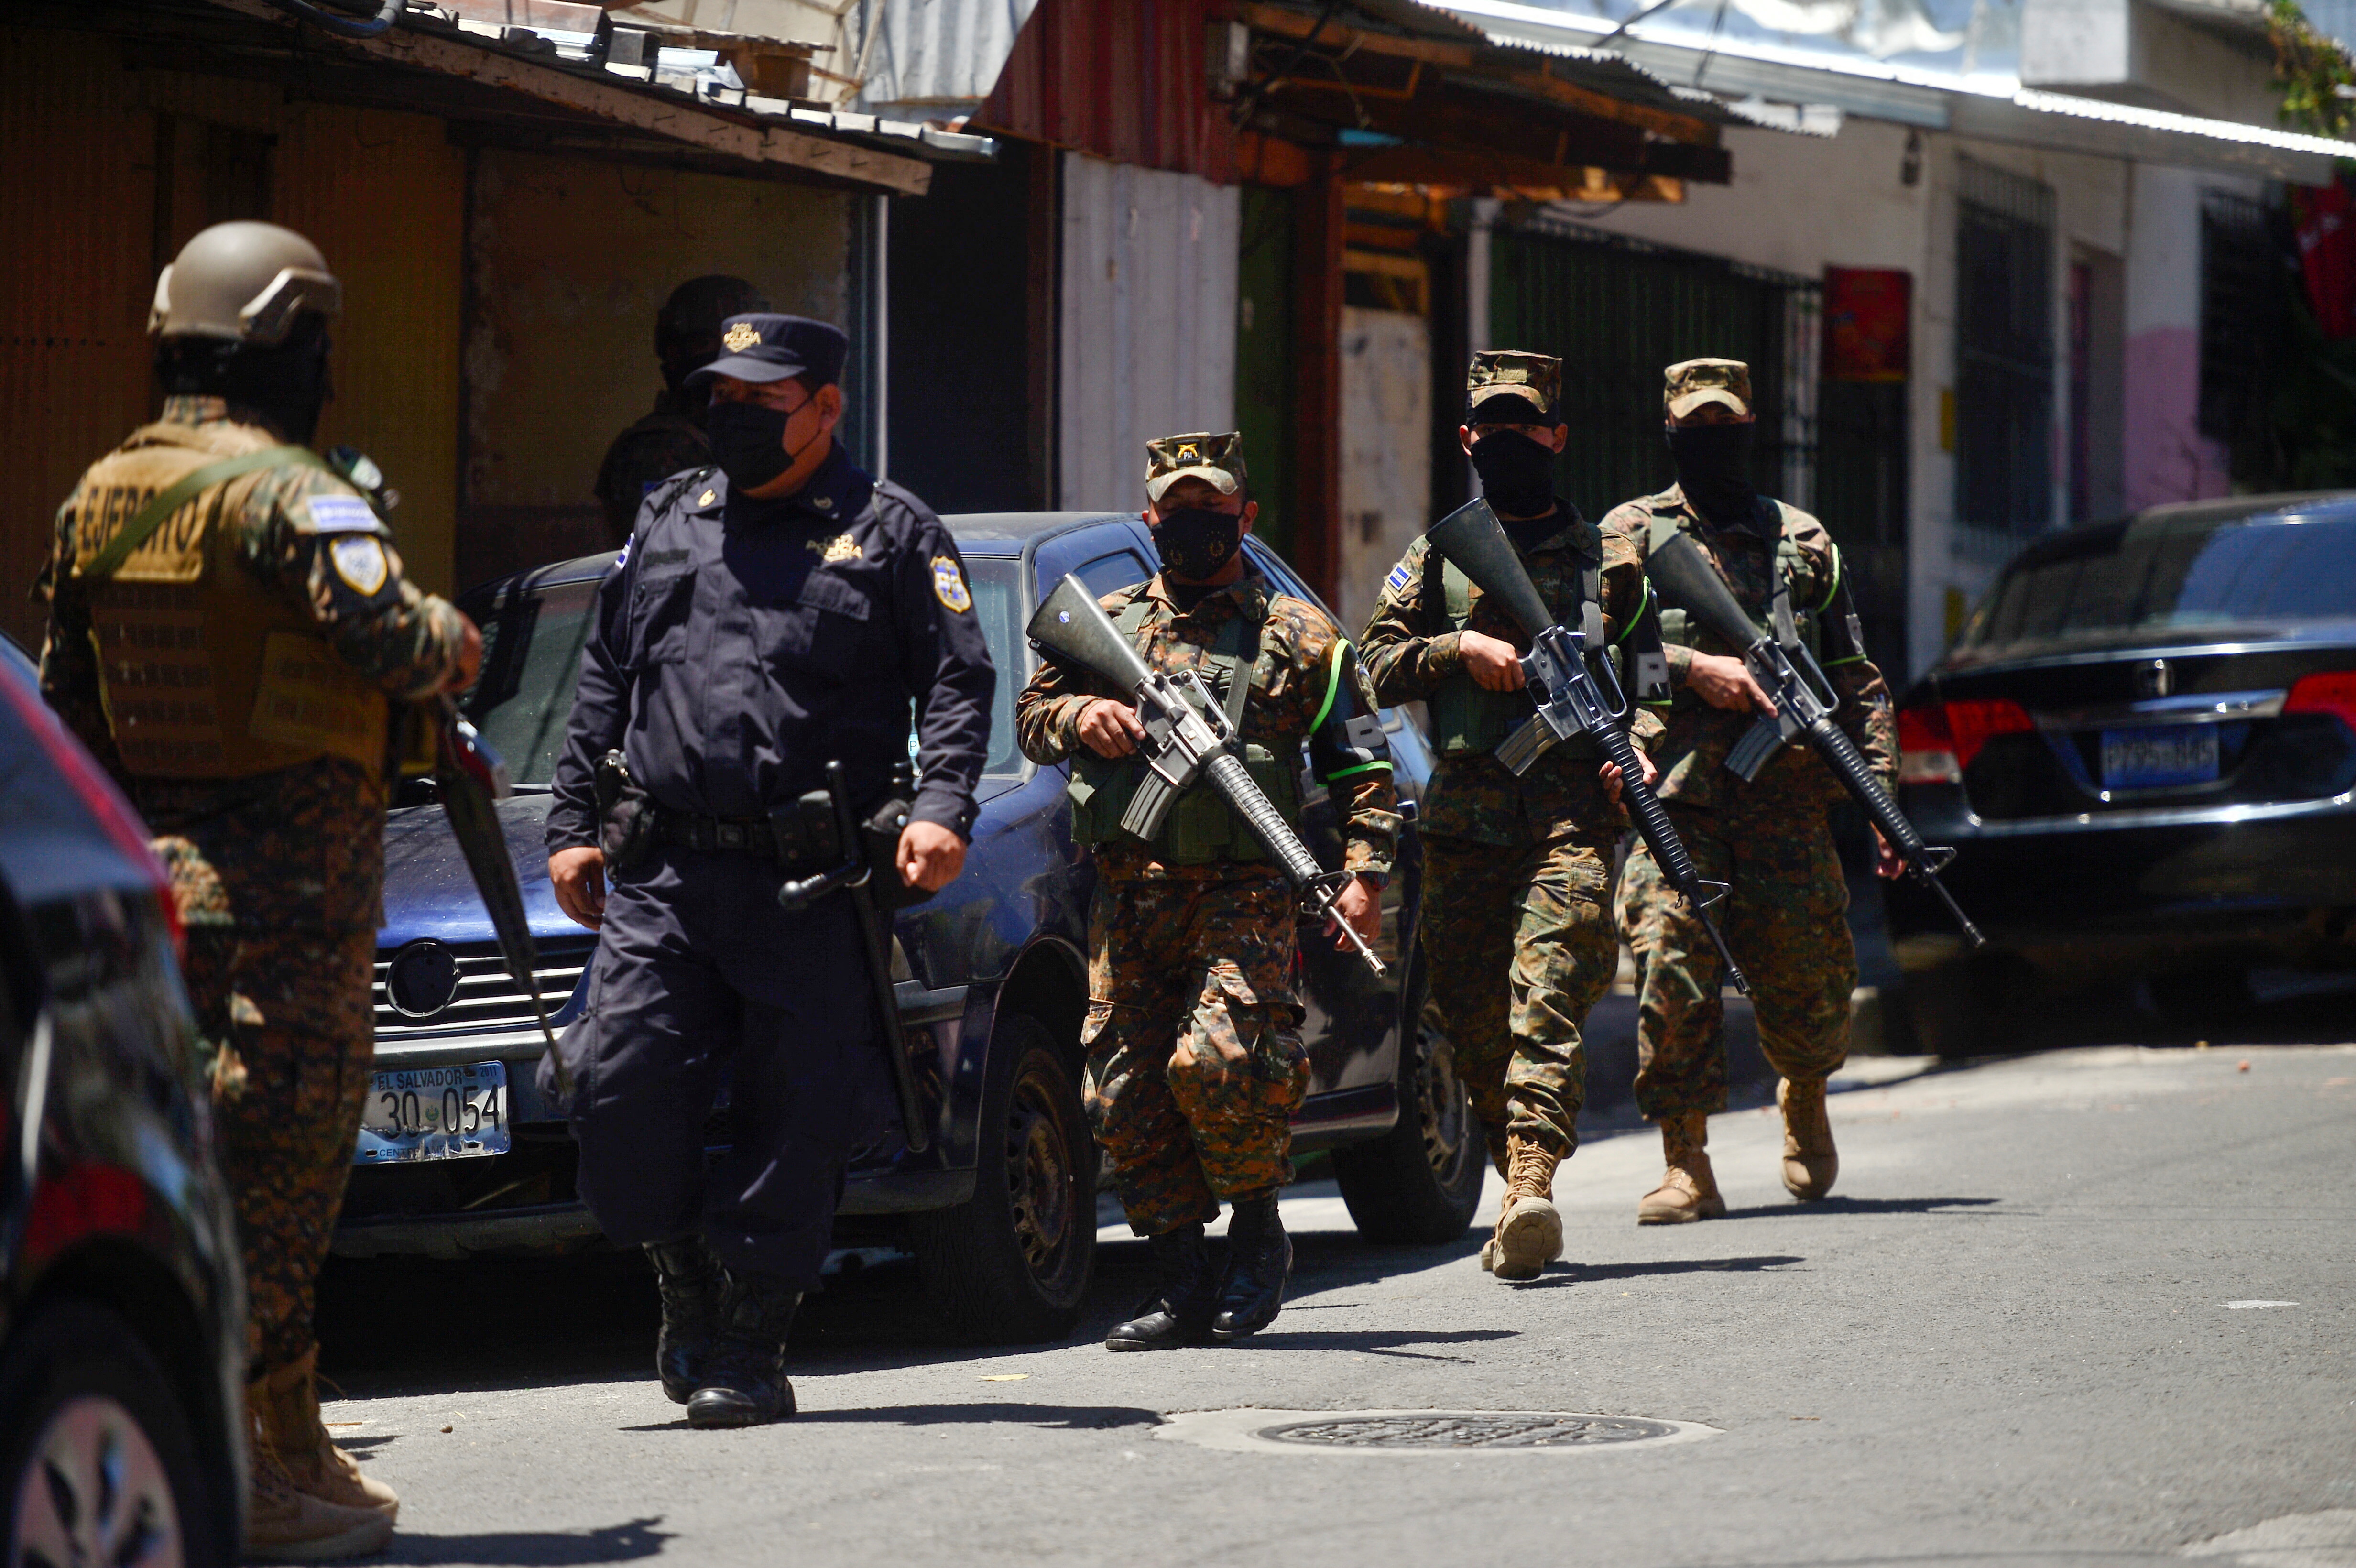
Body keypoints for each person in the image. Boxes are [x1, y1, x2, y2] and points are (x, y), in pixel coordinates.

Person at [35, 220, 479, 1560]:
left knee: (207, 1165)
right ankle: (251, 1465)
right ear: (284, 344)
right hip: (291, 911)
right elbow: (410, 646)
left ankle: (293, 1446)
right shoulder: (293, 496)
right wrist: (451, 633)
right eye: (323, 344)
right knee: (282, 1172)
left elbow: (68, 708)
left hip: (165, 899)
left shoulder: (99, 492)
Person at [544, 313, 993, 1427]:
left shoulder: (890, 532)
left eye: (761, 399)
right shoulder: (671, 517)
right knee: (615, 1085)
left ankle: (749, 1336)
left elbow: (957, 680)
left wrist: (941, 805)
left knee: (798, 1111)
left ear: (827, 407)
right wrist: (569, 820)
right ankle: (681, 1276)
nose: (733, 418)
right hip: (663, 873)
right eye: (721, 399)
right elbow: (604, 672)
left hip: (807, 883)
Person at [1014, 431, 1396, 1348]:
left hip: (1247, 896)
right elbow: (1030, 721)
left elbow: (1362, 768)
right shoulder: (1105, 624)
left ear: (1245, 517)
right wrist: (1081, 713)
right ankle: (1181, 1275)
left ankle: (1258, 1236)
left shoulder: (1297, 635)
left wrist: (1363, 874)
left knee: (1221, 1065)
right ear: (1150, 519)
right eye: (1177, 512)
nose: (1194, 528)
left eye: (1212, 512)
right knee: (1125, 1092)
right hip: (1129, 897)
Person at [1359, 351, 1666, 1282]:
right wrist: (1459, 650)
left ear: (1557, 437)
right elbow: (1373, 661)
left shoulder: (1610, 564)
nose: (1507, 442)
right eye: (1490, 429)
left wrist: (1641, 745)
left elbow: (1652, 678)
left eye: (1524, 427)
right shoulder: (1439, 557)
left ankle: (1531, 1180)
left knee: (1550, 995)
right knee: (1474, 1020)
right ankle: (1513, 1183)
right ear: (1466, 439)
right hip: (1462, 821)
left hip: (1570, 815)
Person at [1599, 358, 1898, 1223]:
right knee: (1667, 967)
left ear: (1749, 432)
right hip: (1677, 800)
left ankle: (1802, 1092)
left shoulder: (1802, 543)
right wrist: (1693, 670)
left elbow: (1856, 676)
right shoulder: (1628, 535)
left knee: (1811, 989)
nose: (1713, 445)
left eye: (1726, 430)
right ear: (1670, 437)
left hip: (1788, 801)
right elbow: (1593, 651)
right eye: (1696, 433)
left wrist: (1879, 795)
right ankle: (1684, 1158)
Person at [592, 274, 772, 543]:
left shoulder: (741, 433)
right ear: (678, 351)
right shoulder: (658, 449)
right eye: (716, 344)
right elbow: (666, 559)